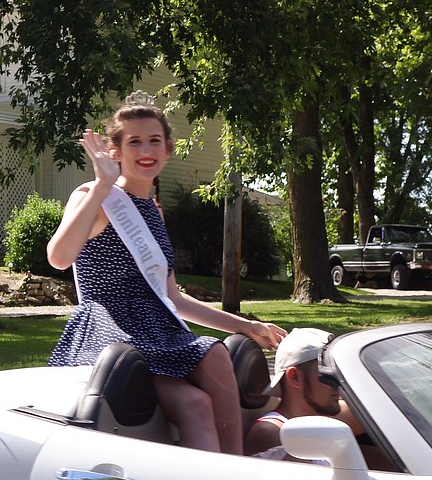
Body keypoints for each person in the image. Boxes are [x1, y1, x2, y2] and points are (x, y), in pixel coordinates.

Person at [46, 97, 286, 455]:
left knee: (205, 381)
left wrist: (246, 326)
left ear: (169, 149)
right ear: (115, 151)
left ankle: (235, 467)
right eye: (134, 142)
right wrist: (100, 185)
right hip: (111, 327)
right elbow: (59, 258)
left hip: (155, 327)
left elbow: (172, 298)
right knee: (205, 380)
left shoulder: (154, 213)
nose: (146, 150)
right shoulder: (96, 196)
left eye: (154, 140)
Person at [244, 328, 365, 459]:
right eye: (326, 374)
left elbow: (378, 410)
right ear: (295, 377)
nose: (337, 382)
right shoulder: (273, 431)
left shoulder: (323, 417)